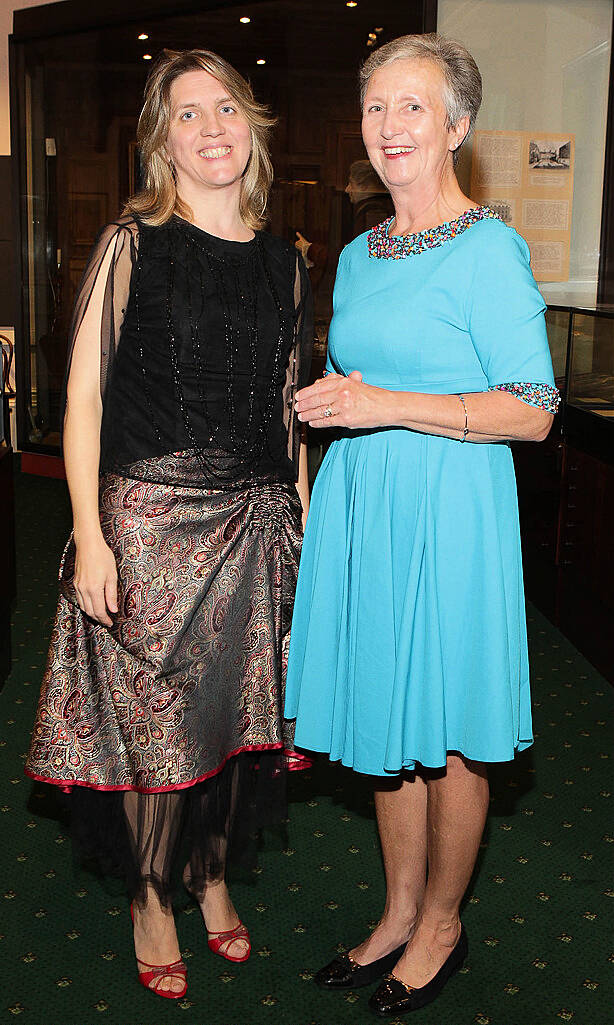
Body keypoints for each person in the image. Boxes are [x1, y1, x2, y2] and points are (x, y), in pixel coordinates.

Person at [26, 48, 312, 1000]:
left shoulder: (287, 260)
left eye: (225, 108)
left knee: (237, 714)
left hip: (255, 518)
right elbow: (83, 399)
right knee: (158, 726)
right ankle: (153, 895)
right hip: (148, 520)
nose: (212, 128)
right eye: (187, 114)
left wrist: (300, 526)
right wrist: (91, 536)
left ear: (253, 125)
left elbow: (284, 407)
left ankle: (214, 873)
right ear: (162, 141)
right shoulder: (132, 241)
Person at [285, 33, 559, 1017]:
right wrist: (335, 409)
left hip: (449, 512)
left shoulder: (489, 247)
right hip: (368, 506)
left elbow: (531, 406)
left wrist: (383, 403)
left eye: (413, 107)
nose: (390, 126)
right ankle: (397, 910)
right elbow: (364, 378)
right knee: (388, 719)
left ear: (456, 126)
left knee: (447, 736)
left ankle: (442, 921)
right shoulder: (358, 252)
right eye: (375, 107)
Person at [344, 158, 394, 237]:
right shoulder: (382, 206)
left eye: (351, 184)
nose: (347, 189)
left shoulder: (373, 211)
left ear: (365, 186)